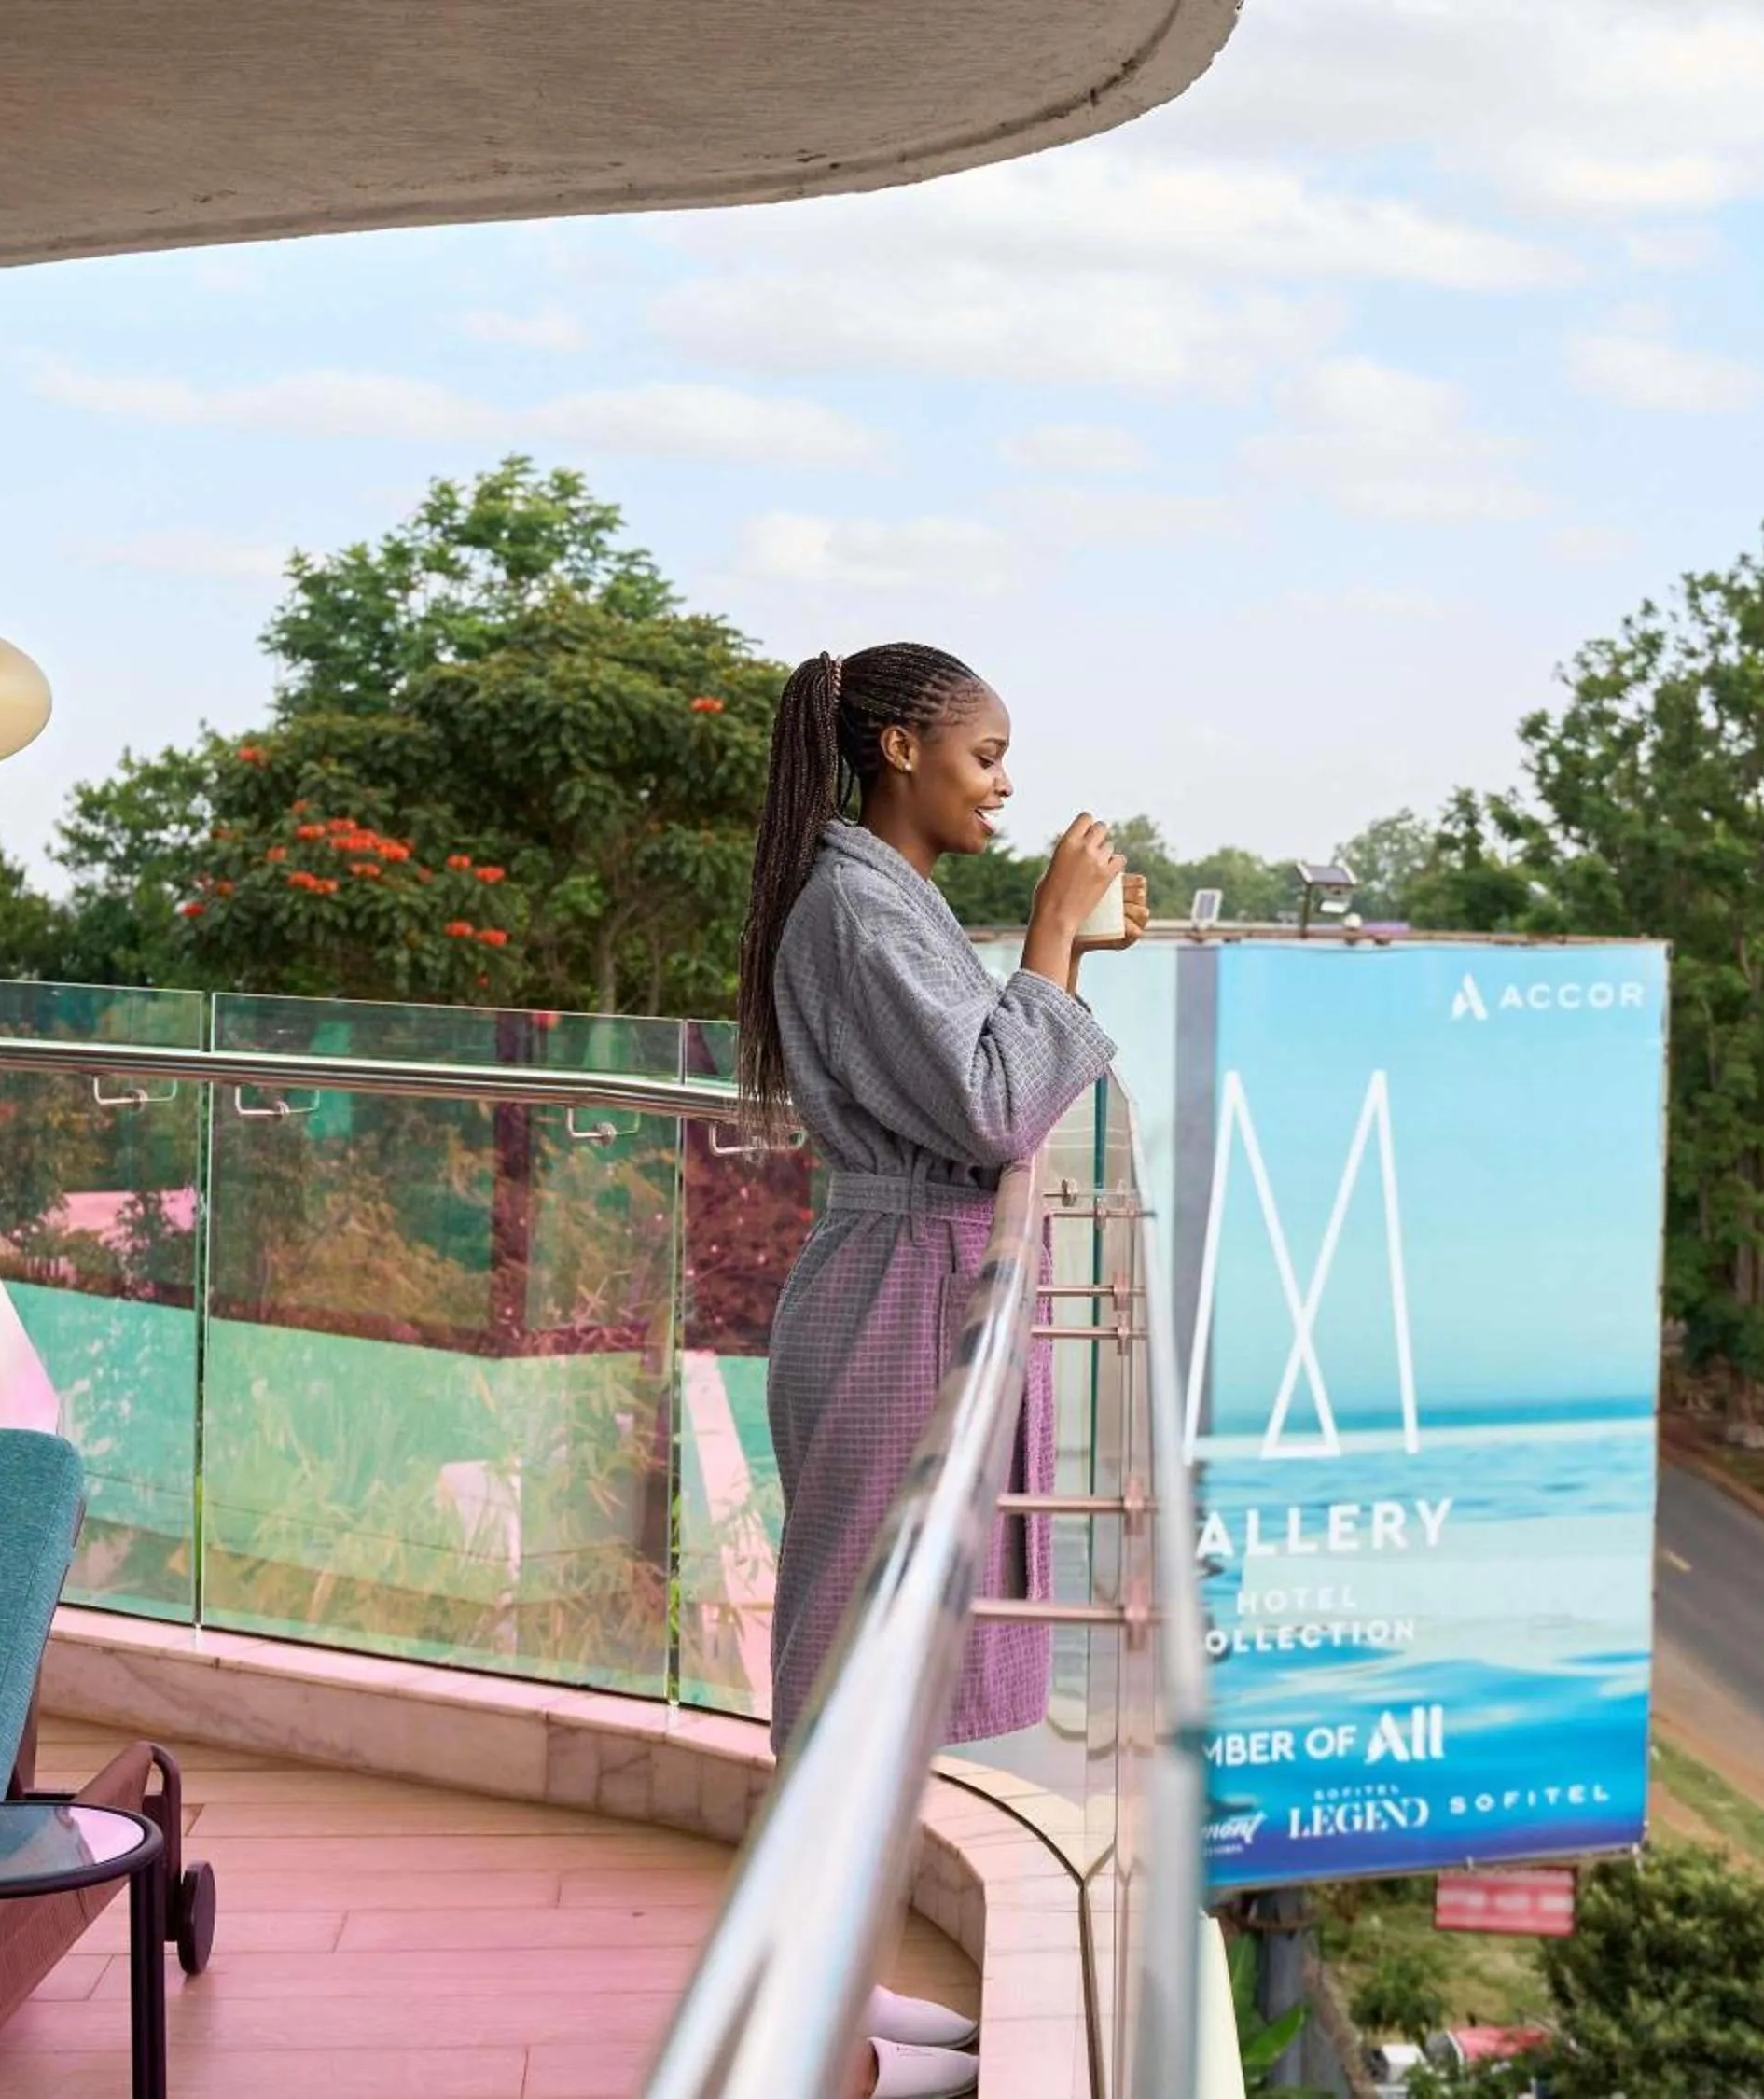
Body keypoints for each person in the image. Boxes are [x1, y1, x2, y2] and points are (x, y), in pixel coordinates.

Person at [735, 643, 1146, 2099]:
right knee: (853, 1669)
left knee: (882, 1663)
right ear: (901, 748)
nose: (1004, 783)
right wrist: (1046, 934)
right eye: (985, 755)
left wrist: (1067, 956)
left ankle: (843, 1984)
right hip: (893, 1299)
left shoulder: (874, 899)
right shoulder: (855, 905)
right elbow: (989, 1104)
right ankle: (811, 2032)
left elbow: (972, 1065)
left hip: (913, 1289)